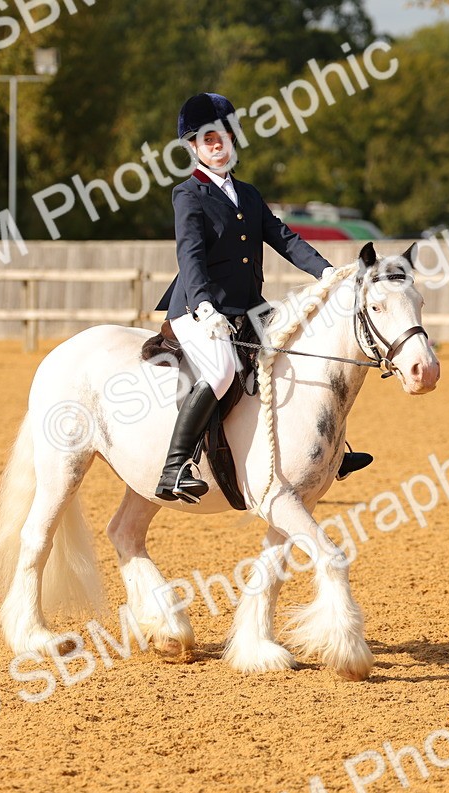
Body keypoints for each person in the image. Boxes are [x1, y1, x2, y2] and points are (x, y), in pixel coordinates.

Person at [153, 92, 371, 504]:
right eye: (208, 140)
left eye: (223, 137)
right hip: (198, 308)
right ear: (193, 147)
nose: (217, 146)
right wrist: (204, 305)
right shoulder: (189, 194)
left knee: (292, 354)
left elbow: (284, 238)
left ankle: (331, 449)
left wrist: (326, 272)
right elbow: (190, 255)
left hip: (248, 308)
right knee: (221, 371)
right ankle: (175, 466)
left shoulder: (249, 194)